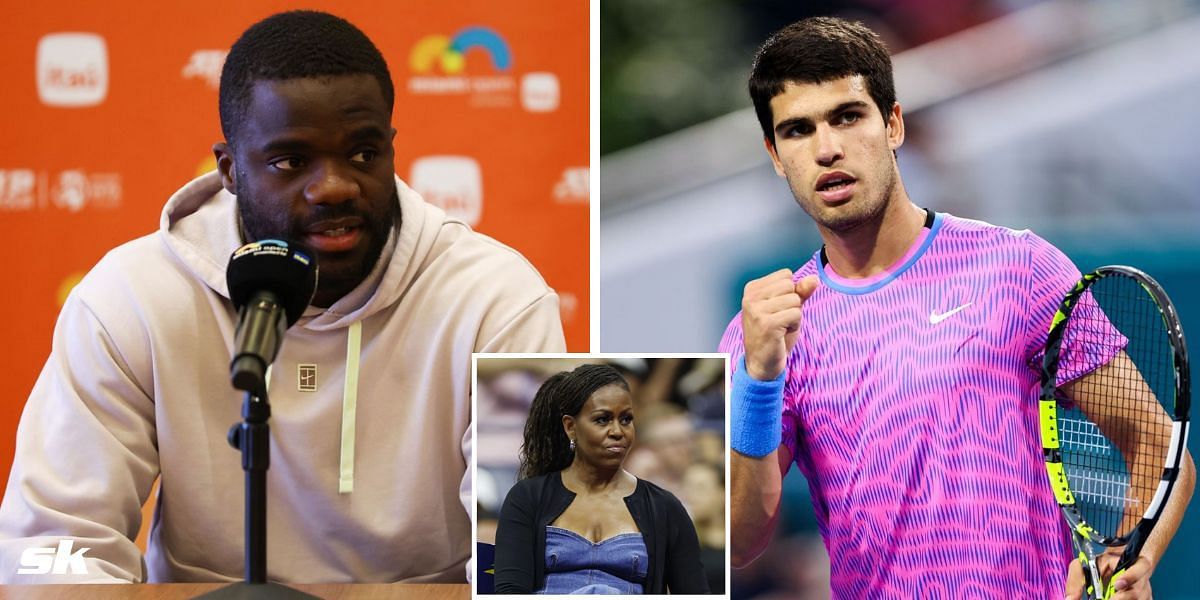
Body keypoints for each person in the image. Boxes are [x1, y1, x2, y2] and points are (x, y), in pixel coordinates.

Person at [0, 10, 565, 584]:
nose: (335, 186)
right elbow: (55, 540)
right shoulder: (133, 297)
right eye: (292, 161)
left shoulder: (495, 299)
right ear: (229, 170)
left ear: (392, 148)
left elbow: (525, 553)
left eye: (364, 154)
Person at [722, 16, 1195, 599]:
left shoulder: (1019, 268)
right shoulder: (764, 335)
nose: (827, 149)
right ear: (775, 154)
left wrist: (1124, 561)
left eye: (848, 116)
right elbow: (741, 541)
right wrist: (760, 377)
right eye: (797, 130)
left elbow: (1155, 443)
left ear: (893, 124)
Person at [492, 364, 709, 594]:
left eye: (626, 419)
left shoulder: (664, 507)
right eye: (603, 419)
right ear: (570, 427)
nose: (618, 431)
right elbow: (509, 592)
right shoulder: (527, 497)